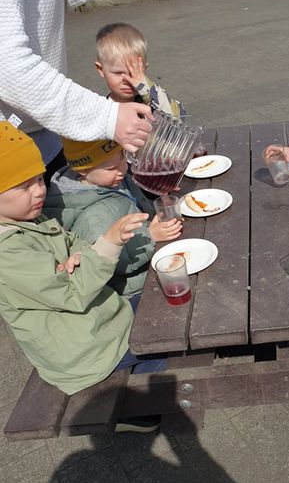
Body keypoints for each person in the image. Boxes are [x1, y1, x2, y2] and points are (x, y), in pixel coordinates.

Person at [0, 122, 168, 417]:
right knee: (163, 340)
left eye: (39, 179)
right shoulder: (8, 251)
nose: (38, 191)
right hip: (86, 351)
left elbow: (75, 247)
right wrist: (109, 241)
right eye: (24, 186)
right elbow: (72, 291)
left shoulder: (30, 221)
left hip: (100, 320)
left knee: (165, 308)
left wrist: (76, 259)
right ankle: (139, 415)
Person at [0, 0, 152, 181]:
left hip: (42, 136)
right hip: (9, 158)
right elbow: (7, 65)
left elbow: (32, 8)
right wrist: (108, 117)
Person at [43, 138, 183, 297]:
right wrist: (150, 236)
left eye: (124, 160)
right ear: (83, 170)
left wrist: (156, 189)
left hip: (151, 259)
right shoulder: (92, 218)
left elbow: (136, 201)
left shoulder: (111, 181)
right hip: (135, 287)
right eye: (112, 168)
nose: (122, 169)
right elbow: (108, 262)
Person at [95, 22, 185, 117]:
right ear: (101, 69)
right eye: (118, 73)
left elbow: (179, 115)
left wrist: (144, 85)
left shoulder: (152, 102)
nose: (128, 80)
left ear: (144, 70)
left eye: (134, 73)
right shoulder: (101, 111)